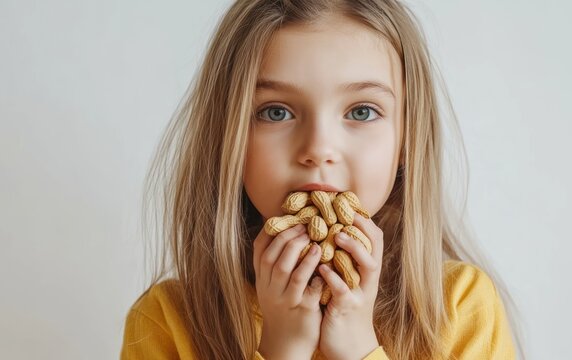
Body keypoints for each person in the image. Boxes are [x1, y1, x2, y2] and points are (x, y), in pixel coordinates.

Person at [121, 0, 524, 359]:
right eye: (276, 112)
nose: (318, 148)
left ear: (407, 140)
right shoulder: (167, 322)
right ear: (227, 140)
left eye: (362, 111)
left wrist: (357, 348)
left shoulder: (460, 307)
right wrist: (282, 349)